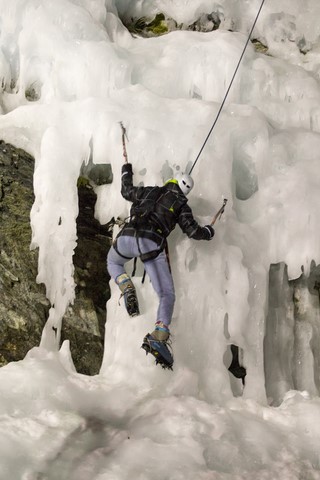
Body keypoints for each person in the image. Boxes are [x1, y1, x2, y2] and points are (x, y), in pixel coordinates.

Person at [107, 162, 215, 369]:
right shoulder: (182, 205)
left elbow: (126, 190)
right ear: (186, 192)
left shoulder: (149, 191)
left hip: (127, 236)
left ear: (171, 181)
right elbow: (193, 232)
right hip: (151, 244)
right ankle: (159, 335)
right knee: (166, 294)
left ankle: (126, 286)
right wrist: (209, 232)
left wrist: (126, 170)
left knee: (113, 261)